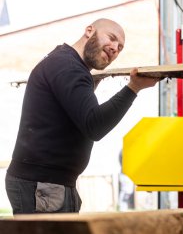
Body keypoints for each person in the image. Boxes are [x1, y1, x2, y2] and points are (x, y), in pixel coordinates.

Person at [5, 18, 159, 214]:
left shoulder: (63, 62)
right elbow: (94, 125)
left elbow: (72, 113)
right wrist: (133, 88)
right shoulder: (68, 67)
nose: (115, 48)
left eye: (120, 47)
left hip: (46, 182)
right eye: (111, 38)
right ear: (89, 31)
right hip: (44, 185)